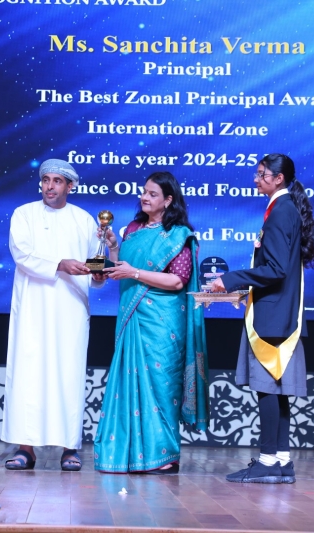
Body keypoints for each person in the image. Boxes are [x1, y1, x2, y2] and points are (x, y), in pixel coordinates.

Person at [211, 153, 314, 484]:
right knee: (278, 389)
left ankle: (268, 460)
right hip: (280, 313)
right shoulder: (284, 209)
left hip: (273, 319)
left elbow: (275, 270)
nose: (256, 179)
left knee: (267, 389)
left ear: (279, 178)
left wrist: (230, 280)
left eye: (262, 174)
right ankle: (281, 460)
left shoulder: (281, 212)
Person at [93, 171, 209, 474]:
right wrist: (113, 246)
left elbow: (177, 281)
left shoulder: (179, 234)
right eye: (144, 191)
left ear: (168, 200)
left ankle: (165, 455)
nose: (144, 197)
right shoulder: (133, 229)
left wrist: (134, 273)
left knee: (161, 385)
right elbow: (121, 267)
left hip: (163, 321)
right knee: (129, 384)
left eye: (152, 194)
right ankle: (128, 454)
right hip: (132, 315)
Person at [1, 159, 105, 472]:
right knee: (28, 374)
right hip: (32, 309)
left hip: (70, 309)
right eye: (46, 179)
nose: (49, 186)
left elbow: (95, 264)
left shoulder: (84, 220)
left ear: (70, 186)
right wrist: (60, 264)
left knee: (68, 375)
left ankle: (69, 448)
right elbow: (22, 254)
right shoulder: (24, 214)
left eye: (57, 181)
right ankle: (25, 449)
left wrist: (99, 271)